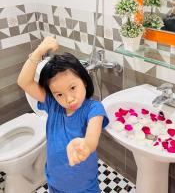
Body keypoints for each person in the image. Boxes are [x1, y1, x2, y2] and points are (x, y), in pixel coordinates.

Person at [17, 36, 109, 193]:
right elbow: (24, 82)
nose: (69, 99)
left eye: (73, 88)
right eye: (59, 94)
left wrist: (85, 146)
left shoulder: (94, 108)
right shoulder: (53, 104)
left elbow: (92, 138)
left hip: (84, 187)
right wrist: (39, 51)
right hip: (54, 182)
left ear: (84, 81)